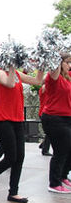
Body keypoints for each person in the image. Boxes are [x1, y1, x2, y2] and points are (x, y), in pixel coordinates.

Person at [0, 66, 43, 203]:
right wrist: (12, 67)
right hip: (3, 120)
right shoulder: (0, 73)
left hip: (17, 119)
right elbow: (10, 83)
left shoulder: (17, 74)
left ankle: (13, 193)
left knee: (20, 157)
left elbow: (38, 81)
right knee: (11, 158)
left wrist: (42, 65)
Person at [41, 53, 71, 194]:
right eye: (67, 62)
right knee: (60, 151)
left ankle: (63, 176)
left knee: (68, 150)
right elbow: (54, 70)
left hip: (66, 118)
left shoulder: (67, 78)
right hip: (54, 118)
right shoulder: (54, 77)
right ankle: (54, 183)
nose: (69, 65)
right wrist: (56, 55)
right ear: (60, 63)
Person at [38, 84, 52, 156]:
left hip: (44, 112)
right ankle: (45, 149)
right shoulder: (44, 87)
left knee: (50, 132)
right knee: (50, 132)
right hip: (45, 112)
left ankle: (43, 145)